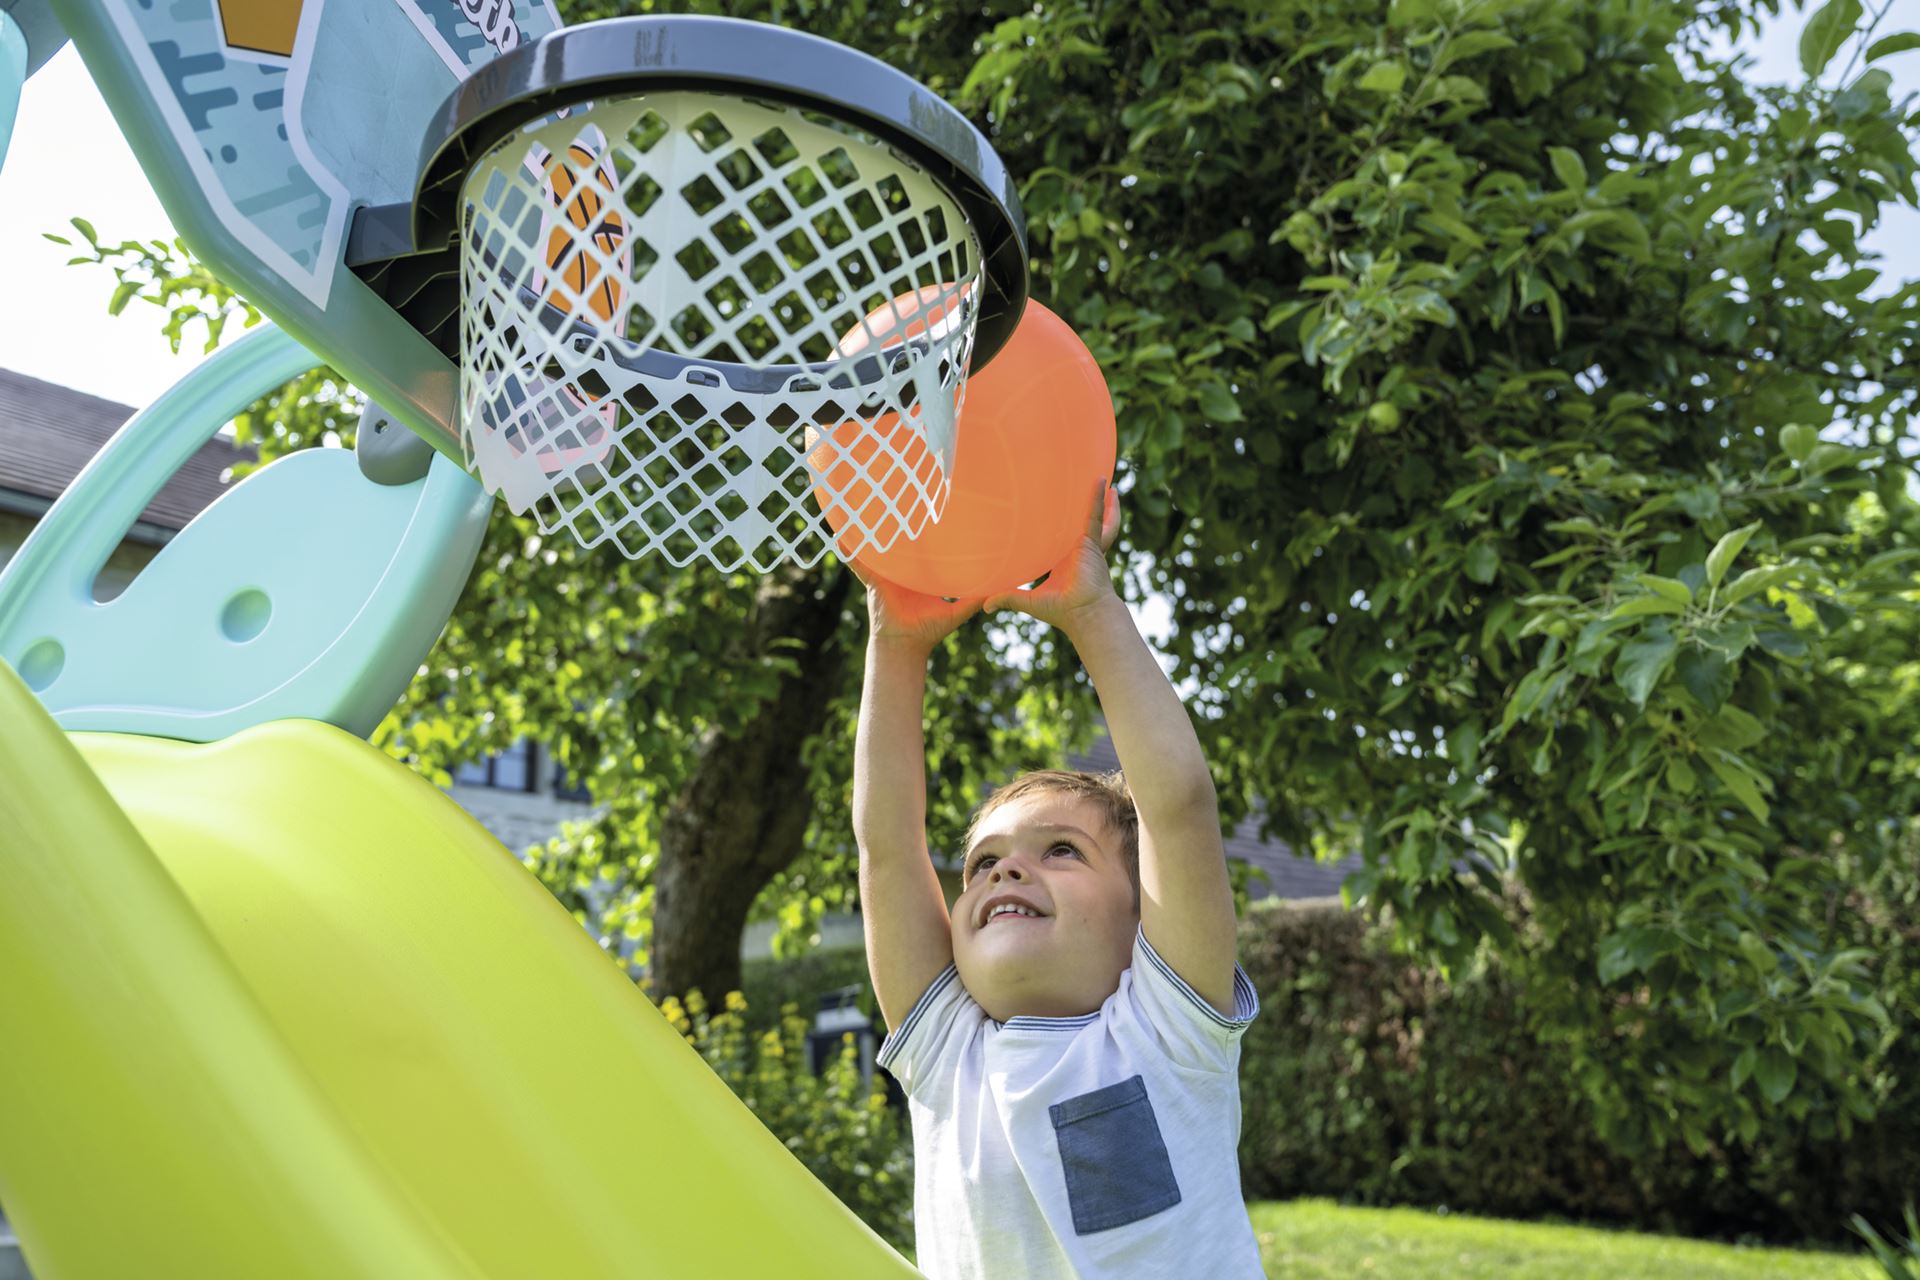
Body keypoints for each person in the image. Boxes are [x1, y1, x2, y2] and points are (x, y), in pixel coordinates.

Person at [852, 480, 1264, 1279]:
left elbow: (1177, 806)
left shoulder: (1166, 1033)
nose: (1009, 866)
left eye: (1062, 851)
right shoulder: (948, 1057)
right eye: (984, 861)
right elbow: (888, 848)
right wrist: (895, 643)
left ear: (1143, 911)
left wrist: (1088, 608)